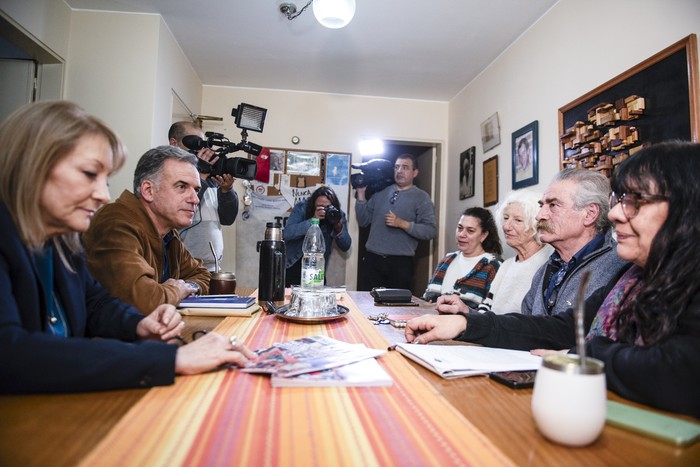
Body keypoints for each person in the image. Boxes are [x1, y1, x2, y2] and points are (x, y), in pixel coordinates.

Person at [405, 141, 700, 418]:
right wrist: (466, 323)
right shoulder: (632, 277)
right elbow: (562, 327)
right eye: (618, 200)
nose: (616, 214)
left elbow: (683, 370)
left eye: (635, 201)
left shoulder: (629, 269)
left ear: (685, 208)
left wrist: (585, 352)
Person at [0, 100, 254, 394]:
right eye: (88, 174)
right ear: (33, 165)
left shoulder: (59, 240)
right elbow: (10, 354)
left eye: (105, 180)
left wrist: (139, 325)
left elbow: (95, 303)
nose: (102, 195)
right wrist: (171, 358)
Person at [83, 145, 211, 314]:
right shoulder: (115, 223)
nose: (195, 199)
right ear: (148, 191)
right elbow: (143, 301)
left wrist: (187, 287)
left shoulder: (167, 232)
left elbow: (204, 276)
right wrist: (177, 291)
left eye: (196, 190)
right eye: (182, 186)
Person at [355, 154, 437, 291]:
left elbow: (430, 231)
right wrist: (361, 195)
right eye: (397, 167)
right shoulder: (380, 192)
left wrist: (402, 224)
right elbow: (363, 221)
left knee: (397, 307)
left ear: (415, 172)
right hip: (372, 259)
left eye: (405, 167)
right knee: (368, 303)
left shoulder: (422, 198)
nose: (399, 171)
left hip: (400, 263)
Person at [169, 121, 239, 271]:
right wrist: (200, 177)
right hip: (182, 269)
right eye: (194, 143)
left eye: (202, 144)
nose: (200, 150)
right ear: (173, 144)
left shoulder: (210, 178)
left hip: (212, 268)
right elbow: (177, 210)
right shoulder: (169, 175)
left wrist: (227, 190)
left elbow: (227, 219)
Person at [478, 191, 553, 314]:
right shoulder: (506, 265)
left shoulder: (549, 265)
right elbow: (487, 307)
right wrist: (466, 313)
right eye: (506, 218)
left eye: (518, 220)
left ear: (537, 225)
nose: (506, 226)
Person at [423, 207, 502, 308]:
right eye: (460, 228)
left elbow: (491, 311)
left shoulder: (493, 266)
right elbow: (427, 299)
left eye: (470, 231)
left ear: (483, 235)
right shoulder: (446, 260)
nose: (461, 234)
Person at [283, 186, 352, 286]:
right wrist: (313, 220)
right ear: (313, 204)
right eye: (320, 206)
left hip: (317, 269)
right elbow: (288, 233)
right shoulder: (302, 208)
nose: (324, 210)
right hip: (294, 264)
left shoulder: (337, 214)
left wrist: (338, 228)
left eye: (327, 207)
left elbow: (346, 245)